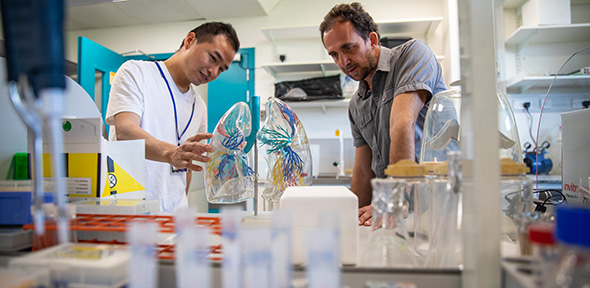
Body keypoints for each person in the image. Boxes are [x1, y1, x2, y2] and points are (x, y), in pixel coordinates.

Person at [320, 3, 447, 226]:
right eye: (334, 55)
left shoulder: (413, 55)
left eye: (348, 48)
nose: (343, 62)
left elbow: (402, 123)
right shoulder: (356, 104)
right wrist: (352, 219)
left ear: (373, 40)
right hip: (391, 214)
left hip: (436, 209)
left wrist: (393, 200)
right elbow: (361, 171)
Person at [106, 22, 240, 212]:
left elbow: (187, 165)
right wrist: (171, 153)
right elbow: (125, 132)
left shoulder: (199, 106)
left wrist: (181, 207)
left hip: (175, 215)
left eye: (221, 69)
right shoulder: (136, 73)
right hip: (131, 210)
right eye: (212, 58)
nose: (213, 72)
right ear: (190, 40)